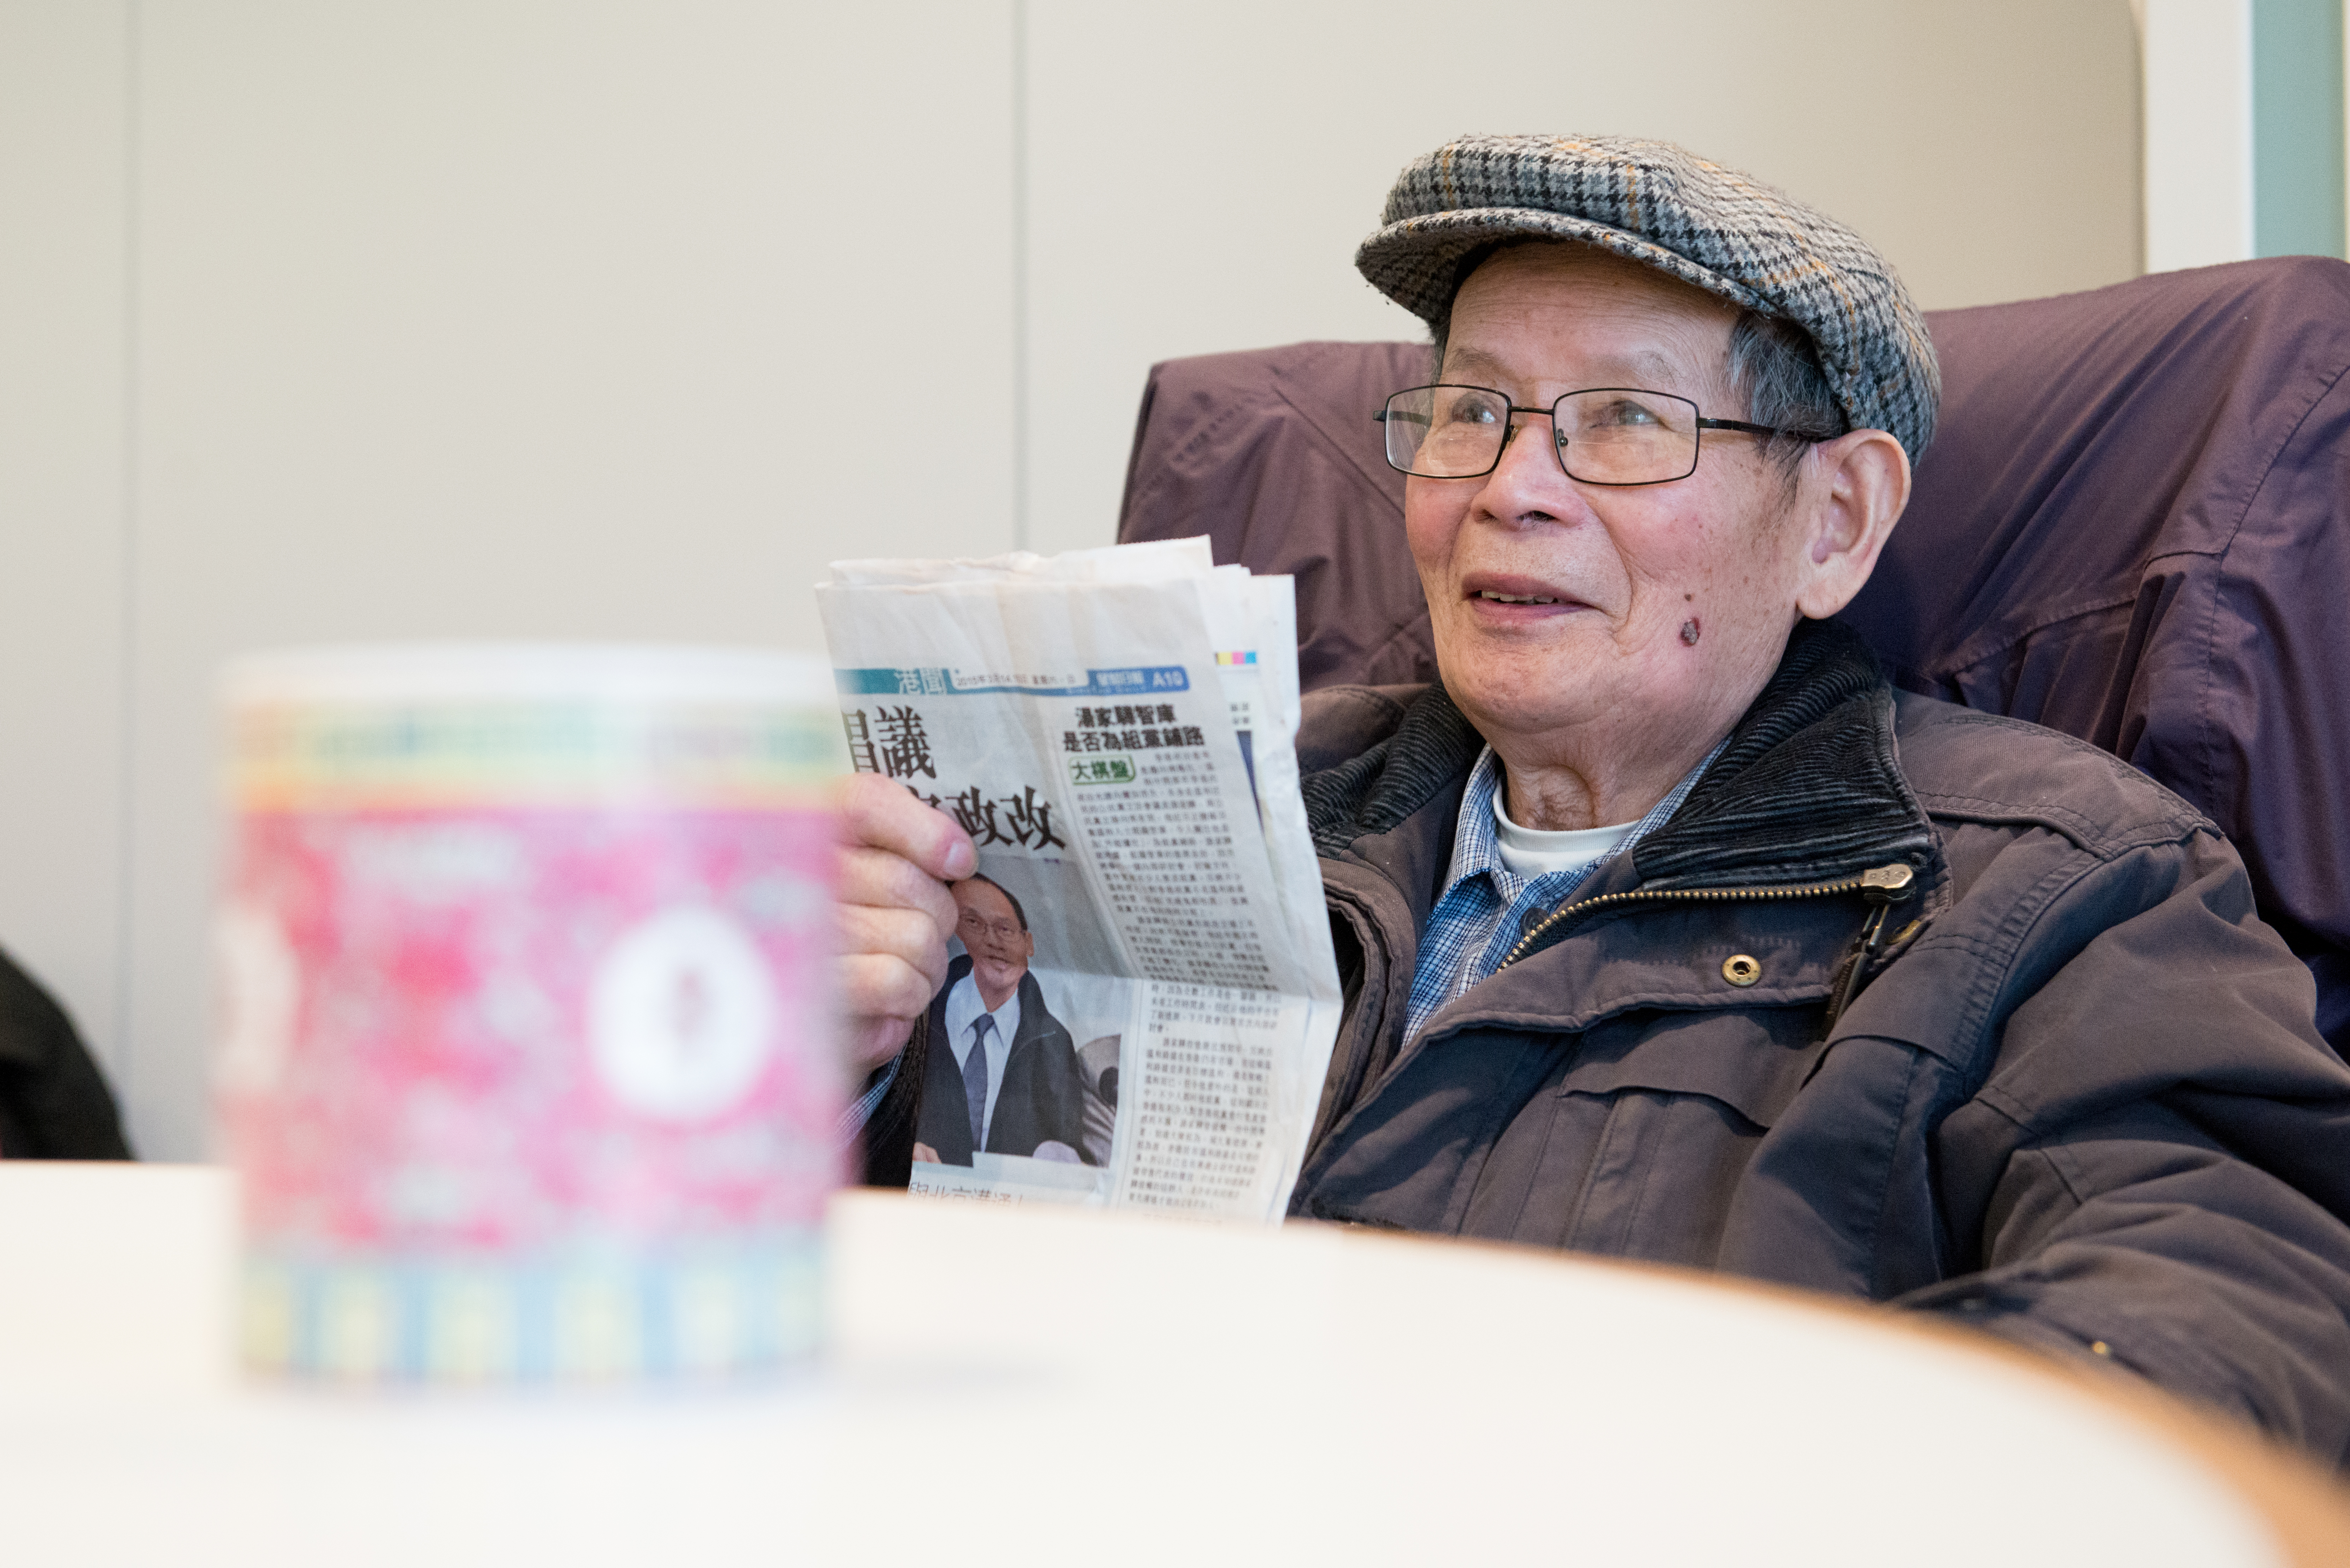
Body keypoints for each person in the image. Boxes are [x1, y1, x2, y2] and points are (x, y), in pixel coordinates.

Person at [833, 133, 2350, 1460]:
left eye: (1622, 422)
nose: (1510, 486)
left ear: (1834, 520)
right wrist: (831, 1062)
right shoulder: (1248, 792)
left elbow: (2235, 1319)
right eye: (1469, 413)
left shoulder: (2067, 887)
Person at [903, 875, 1089, 1169]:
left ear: (1028, 943)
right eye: (975, 924)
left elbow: (1069, 1145)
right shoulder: (920, 1008)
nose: (994, 942)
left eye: (1006, 930)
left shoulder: (1053, 1040)